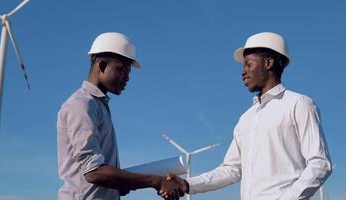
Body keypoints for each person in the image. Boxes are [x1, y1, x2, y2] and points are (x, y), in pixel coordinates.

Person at [166, 32, 333, 200]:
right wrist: (187, 184)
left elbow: (320, 163)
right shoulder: (246, 118)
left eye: (248, 64)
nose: (243, 72)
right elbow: (232, 169)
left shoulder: (299, 103)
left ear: (268, 63)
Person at [57, 32, 182, 200]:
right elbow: (93, 172)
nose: (128, 78)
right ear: (102, 66)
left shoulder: (98, 106)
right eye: (122, 70)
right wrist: (156, 181)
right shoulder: (81, 105)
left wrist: (121, 185)